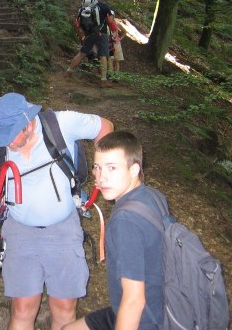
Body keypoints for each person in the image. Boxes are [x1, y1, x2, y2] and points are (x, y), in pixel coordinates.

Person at [0, 93, 114, 330]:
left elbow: (105, 126)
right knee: (22, 309)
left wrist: (103, 167)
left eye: (11, 136)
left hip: (63, 230)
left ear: (28, 123)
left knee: (64, 309)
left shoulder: (61, 124)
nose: (6, 143)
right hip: (20, 232)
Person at [62, 131, 166, 330]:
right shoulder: (152, 196)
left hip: (144, 319)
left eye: (112, 168)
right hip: (157, 303)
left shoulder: (126, 221)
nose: (102, 177)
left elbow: (134, 301)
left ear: (134, 169)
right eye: (97, 167)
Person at [66, 0, 117, 87]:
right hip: (101, 34)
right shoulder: (103, 6)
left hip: (88, 33)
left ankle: (68, 71)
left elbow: (79, 20)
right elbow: (110, 21)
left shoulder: (84, 5)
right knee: (103, 56)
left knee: (82, 53)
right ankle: (103, 80)